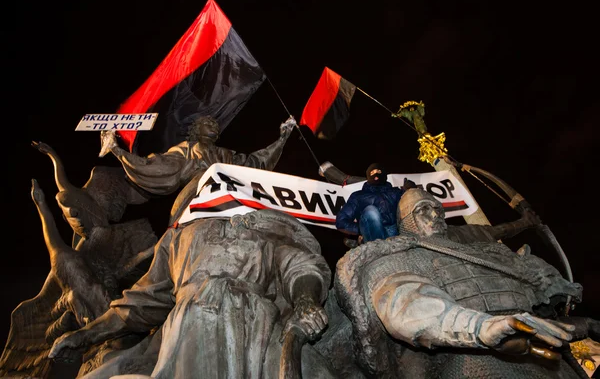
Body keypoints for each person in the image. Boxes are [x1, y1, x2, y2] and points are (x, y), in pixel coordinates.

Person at [332, 188, 593, 378]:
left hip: (549, 356)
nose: (434, 215)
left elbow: (535, 280)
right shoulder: (400, 258)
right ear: (406, 222)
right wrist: (481, 326)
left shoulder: (485, 251)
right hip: (473, 360)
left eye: (437, 209)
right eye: (423, 210)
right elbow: (406, 305)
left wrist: (568, 307)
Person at [48, 209, 336, 379]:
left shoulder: (264, 234)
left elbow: (301, 267)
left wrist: (306, 300)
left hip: (254, 324)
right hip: (189, 322)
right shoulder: (178, 237)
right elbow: (140, 303)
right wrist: (86, 335)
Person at [100, 115, 297, 226]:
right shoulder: (186, 149)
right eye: (207, 123)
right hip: (195, 194)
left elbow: (256, 163)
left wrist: (282, 139)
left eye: (215, 124)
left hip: (229, 195)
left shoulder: (227, 154)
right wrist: (117, 150)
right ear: (197, 129)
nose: (213, 125)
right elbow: (158, 167)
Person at [335, 163, 405, 243]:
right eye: (372, 173)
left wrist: (410, 189)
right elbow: (341, 221)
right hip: (373, 234)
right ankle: (378, 247)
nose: (375, 174)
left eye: (378, 171)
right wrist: (362, 228)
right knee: (371, 211)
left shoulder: (396, 193)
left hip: (394, 232)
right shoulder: (358, 196)